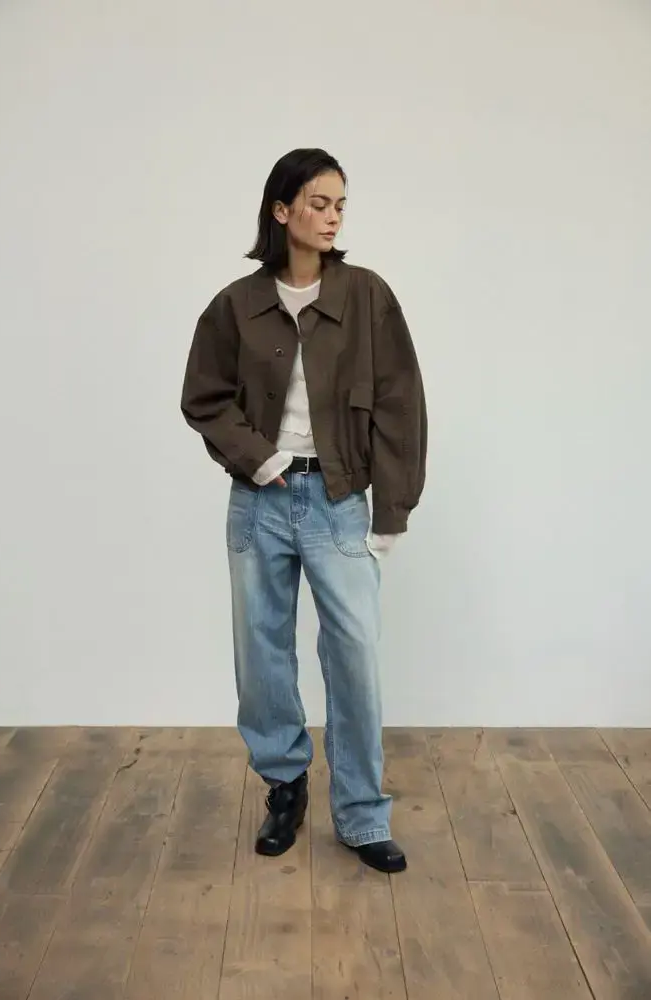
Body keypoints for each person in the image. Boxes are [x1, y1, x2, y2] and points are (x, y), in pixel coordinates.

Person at [181, 148, 427, 873]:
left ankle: (362, 814)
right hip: (260, 500)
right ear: (282, 210)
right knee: (261, 655)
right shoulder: (235, 305)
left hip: (340, 501)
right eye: (319, 203)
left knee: (354, 657)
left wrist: (392, 510)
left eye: (340, 205)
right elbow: (203, 398)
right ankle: (285, 786)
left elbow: (401, 403)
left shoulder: (367, 296)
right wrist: (259, 459)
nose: (332, 217)